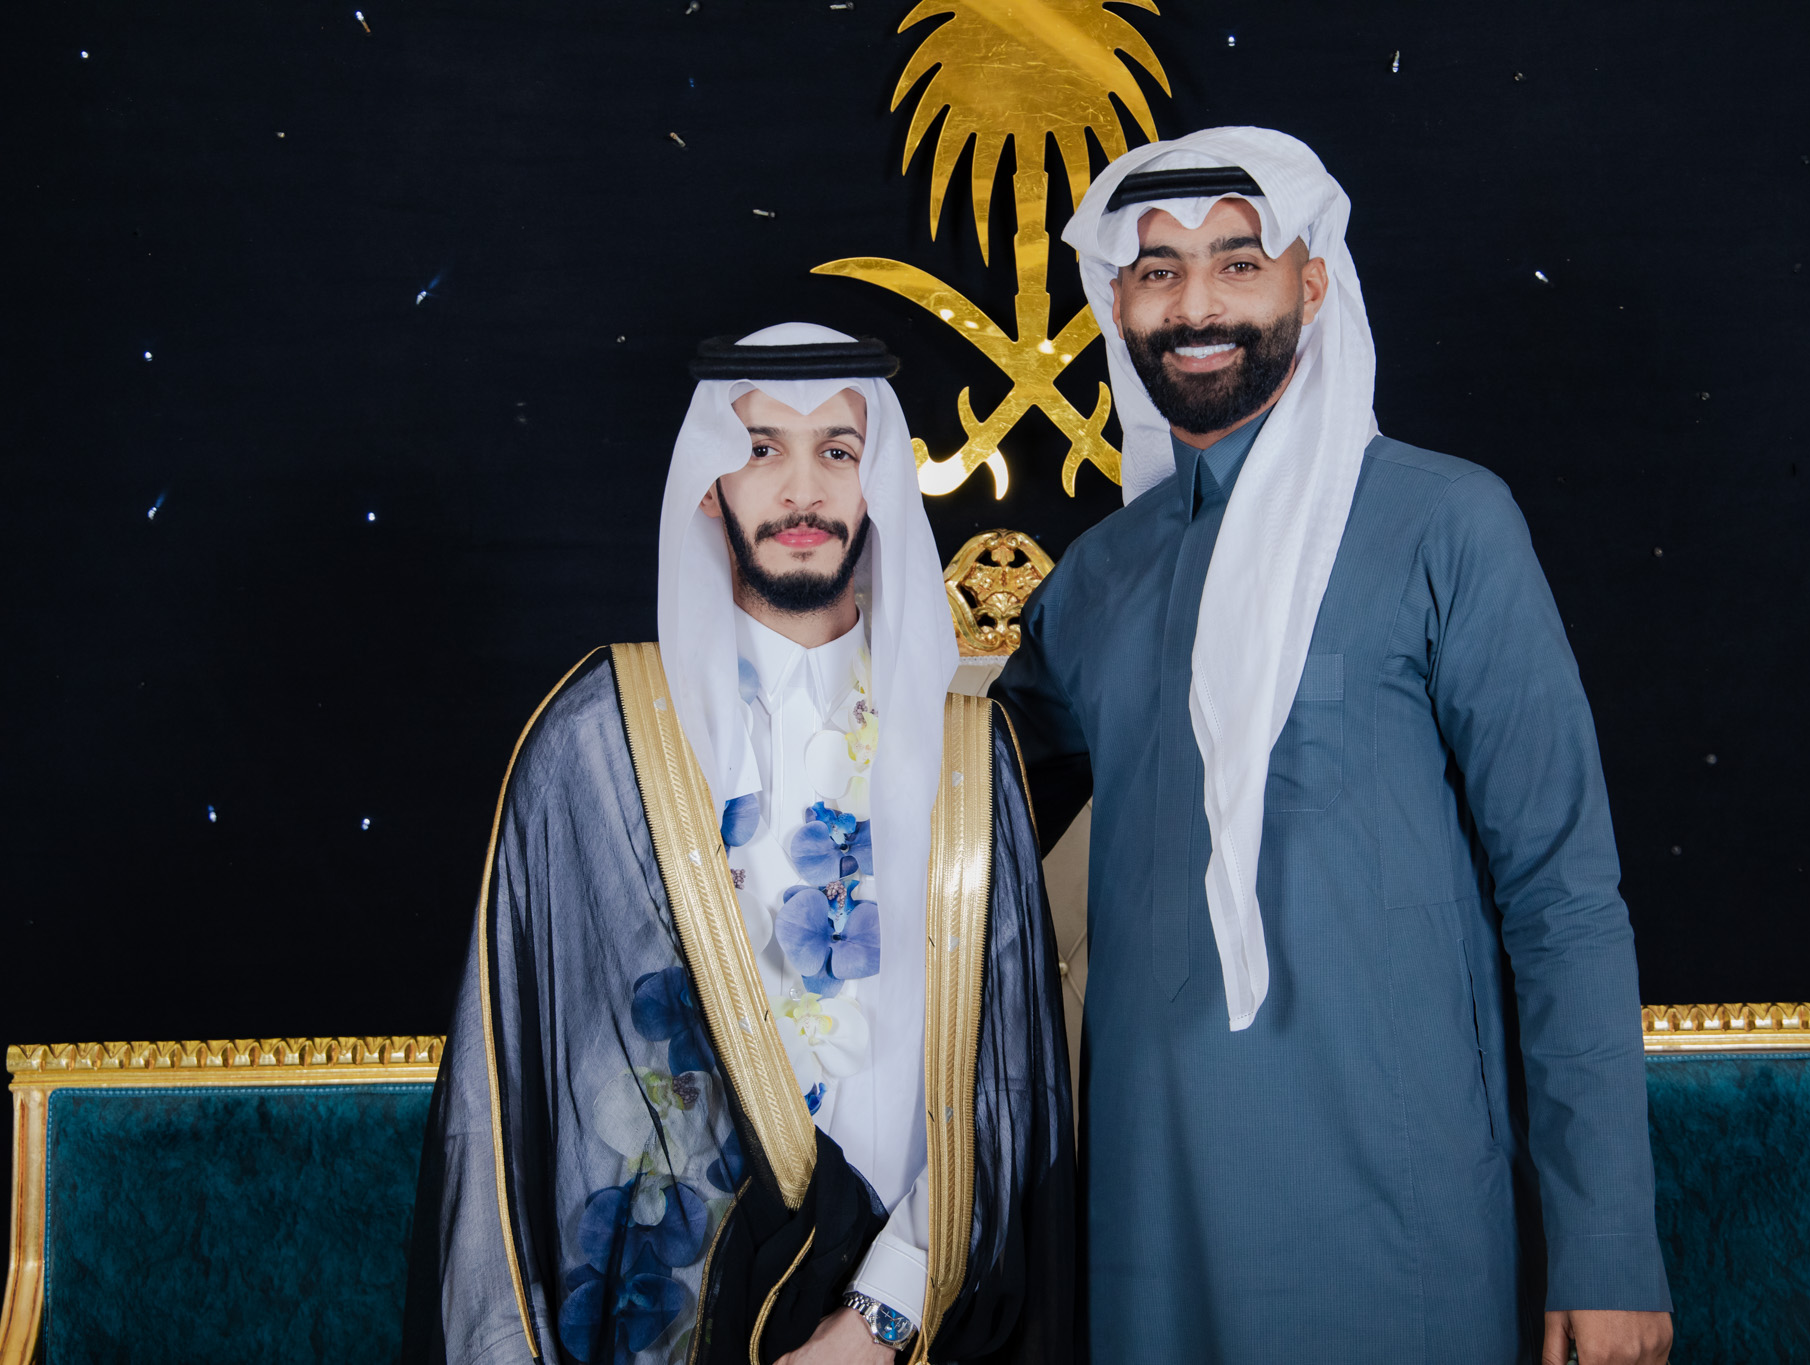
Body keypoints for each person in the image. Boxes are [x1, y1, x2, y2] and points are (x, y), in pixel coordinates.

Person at [991, 129, 1674, 1364]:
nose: (1194, 306)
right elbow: (959, 807)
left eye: (1236, 263)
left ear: (1311, 285)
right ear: (1116, 301)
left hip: (1395, 1218)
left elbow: (1563, 899)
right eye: (1156, 271)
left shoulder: (1442, 523)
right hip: (1142, 1229)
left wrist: (1607, 1244)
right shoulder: (1094, 582)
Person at [404, 324, 1073, 1365]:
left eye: (836, 451)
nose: (802, 490)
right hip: (664, 1315)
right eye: (762, 449)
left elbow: (1004, 1082)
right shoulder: (603, 739)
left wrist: (880, 1315)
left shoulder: (963, 754)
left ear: (876, 484)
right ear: (710, 486)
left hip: (912, 1326)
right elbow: (527, 1096)